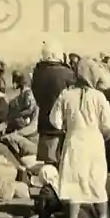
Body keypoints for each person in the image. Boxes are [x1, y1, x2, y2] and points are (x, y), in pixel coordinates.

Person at [48, 57, 110, 218]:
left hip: (74, 141)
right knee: (97, 182)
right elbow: (109, 123)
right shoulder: (99, 96)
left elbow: (54, 120)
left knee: (73, 183)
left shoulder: (66, 94)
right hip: (94, 142)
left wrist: (66, 127)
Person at [32, 40, 77, 169]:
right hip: (62, 123)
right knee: (63, 162)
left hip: (45, 121)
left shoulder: (38, 72)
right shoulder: (67, 73)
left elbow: (37, 95)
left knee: (49, 164)